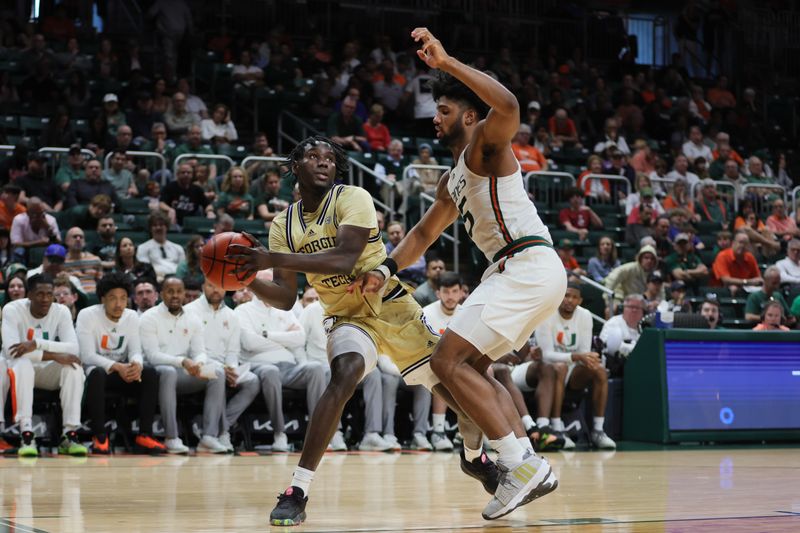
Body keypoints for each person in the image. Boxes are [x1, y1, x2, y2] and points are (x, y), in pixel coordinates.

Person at [226, 135, 504, 526]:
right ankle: (298, 489)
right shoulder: (282, 225)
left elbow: (345, 257)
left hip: (393, 307)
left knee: (469, 403)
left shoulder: (352, 197)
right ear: (295, 166)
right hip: (346, 316)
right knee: (344, 373)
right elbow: (287, 296)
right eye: (311, 155)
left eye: (329, 157)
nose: (322, 162)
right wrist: (247, 278)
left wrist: (267, 258)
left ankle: (474, 458)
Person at [349, 29, 562, 519]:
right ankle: (524, 463)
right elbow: (422, 235)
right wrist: (384, 267)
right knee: (475, 370)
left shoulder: (487, 144)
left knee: (446, 362)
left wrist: (446, 63)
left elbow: (508, 104)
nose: (435, 118)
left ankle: (515, 463)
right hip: (512, 271)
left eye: (444, 111)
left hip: (526, 263)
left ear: (469, 116)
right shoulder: (451, 179)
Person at [234, 269, 327, 453]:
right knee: (271, 371)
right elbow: (250, 343)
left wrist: (267, 335)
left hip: (289, 366)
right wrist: (284, 340)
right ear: (254, 286)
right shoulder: (242, 311)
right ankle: (279, 433)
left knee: (316, 368)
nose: (271, 287)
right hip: (258, 365)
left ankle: (319, 434)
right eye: (265, 283)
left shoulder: (284, 308)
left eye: (273, 283)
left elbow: (300, 338)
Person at [77, 272, 166, 454]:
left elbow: (135, 351)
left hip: (122, 372)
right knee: (97, 373)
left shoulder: (132, 316)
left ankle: (145, 435)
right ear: (102, 299)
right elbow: (87, 356)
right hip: (95, 374)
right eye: (112, 299)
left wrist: (136, 365)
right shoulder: (87, 315)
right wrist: (118, 366)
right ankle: (100, 437)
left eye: (123, 298)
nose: (118, 304)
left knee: (149, 372)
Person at [2, 274, 87, 457]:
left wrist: (36, 344)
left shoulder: (62, 311)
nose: (46, 299)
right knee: (22, 362)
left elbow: (73, 348)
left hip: (45, 370)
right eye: (40, 294)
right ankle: (27, 433)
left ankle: (69, 434)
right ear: (29, 295)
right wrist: (55, 355)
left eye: (49, 294)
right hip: (18, 371)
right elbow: (11, 351)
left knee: (73, 367)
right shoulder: (12, 309)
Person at [141, 276, 228, 454]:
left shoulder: (193, 318)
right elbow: (152, 356)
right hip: (156, 375)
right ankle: (172, 437)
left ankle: (209, 437)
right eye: (170, 291)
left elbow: (200, 350)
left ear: (184, 294)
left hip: (185, 372)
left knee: (217, 372)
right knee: (169, 372)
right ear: (160, 294)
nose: (175, 295)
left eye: (179, 291)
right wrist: (182, 361)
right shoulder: (148, 318)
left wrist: (199, 363)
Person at [537, 284, 616, 449]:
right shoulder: (546, 314)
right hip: (548, 369)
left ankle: (598, 430)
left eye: (574, 297)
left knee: (599, 370)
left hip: (572, 369)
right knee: (560, 367)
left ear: (579, 300)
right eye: (566, 295)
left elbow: (584, 352)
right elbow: (546, 354)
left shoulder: (585, 315)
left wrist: (587, 358)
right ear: (559, 296)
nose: (569, 300)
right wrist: (575, 356)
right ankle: (557, 427)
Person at [185, 279, 260, 453]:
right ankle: (217, 434)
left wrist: (232, 368)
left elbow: (233, 351)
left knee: (253, 381)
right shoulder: (190, 311)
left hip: (224, 367)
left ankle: (217, 426)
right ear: (203, 287)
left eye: (218, 286)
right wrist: (224, 368)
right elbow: (190, 350)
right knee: (218, 373)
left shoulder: (232, 316)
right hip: (198, 365)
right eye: (210, 286)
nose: (214, 290)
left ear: (225, 288)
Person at [605, 244, 660, 312]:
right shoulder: (630, 268)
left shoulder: (655, 274)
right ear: (640, 258)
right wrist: (607, 298)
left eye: (652, 259)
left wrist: (658, 303)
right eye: (646, 258)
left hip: (644, 304)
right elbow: (612, 278)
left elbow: (661, 292)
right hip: (623, 300)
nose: (649, 261)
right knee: (609, 310)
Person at [711, 231, 763, 296]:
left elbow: (758, 278)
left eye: (745, 243)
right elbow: (726, 280)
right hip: (721, 289)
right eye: (740, 242)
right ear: (733, 243)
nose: (742, 246)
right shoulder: (722, 256)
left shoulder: (750, 257)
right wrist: (747, 282)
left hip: (745, 288)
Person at [136, 213, 186, 279]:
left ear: (166, 227)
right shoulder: (142, 248)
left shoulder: (178, 248)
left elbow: (183, 268)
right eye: (155, 225)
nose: (158, 227)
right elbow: (145, 269)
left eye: (161, 225)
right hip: (155, 279)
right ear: (150, 228)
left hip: (176, 279)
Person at [599, 294, 644, 359]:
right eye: (631, 307)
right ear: (624, 308)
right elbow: (609, 346)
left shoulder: (645, 326)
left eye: (637, 308)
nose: (634, 310)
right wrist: (636, 349)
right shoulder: (613, 322)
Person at [63, 227, 102, 293]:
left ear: (84, 242)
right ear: (67, 241)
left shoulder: (95, 260)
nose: (78, 239)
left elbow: (101, 283)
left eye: (81, 237)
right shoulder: (62, 262)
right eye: (75, 237)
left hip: (94, 297)